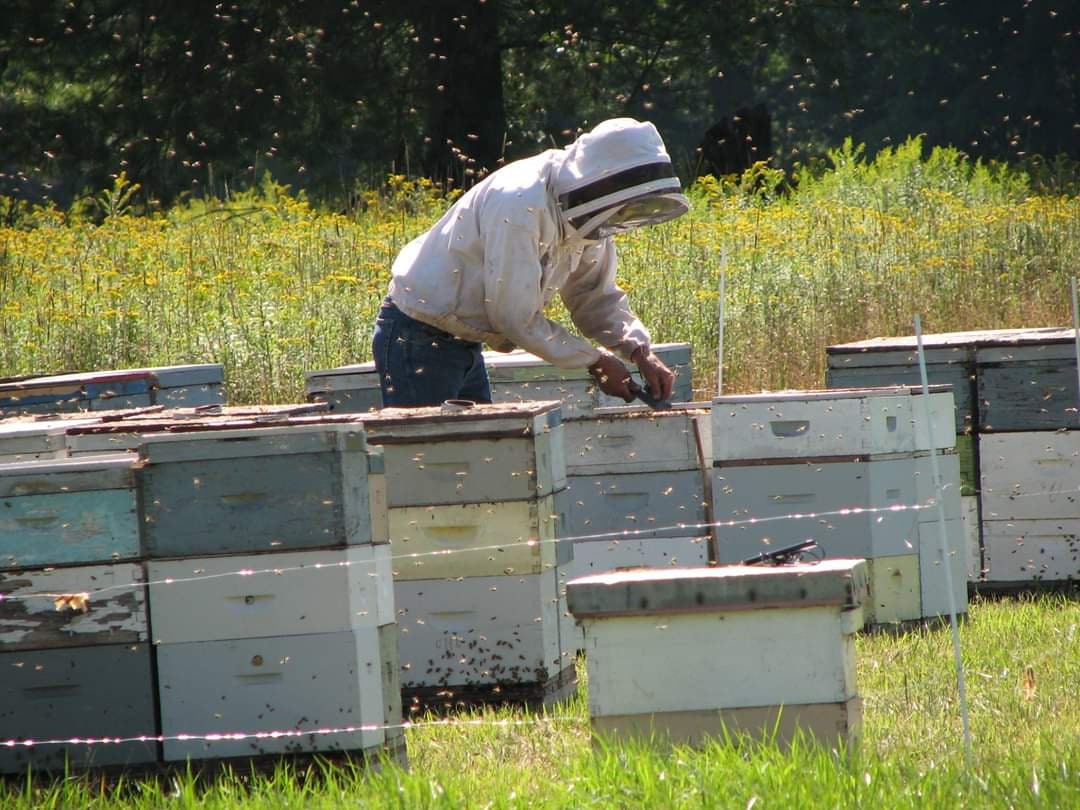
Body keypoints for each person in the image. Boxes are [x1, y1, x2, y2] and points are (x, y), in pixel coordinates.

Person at [372, 117, 689, 408]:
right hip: (418, 336)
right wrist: (595, 361)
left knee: (476, 456)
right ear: (604, 180)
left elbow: (594, 296)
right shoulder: (520, 202)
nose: (621, 216)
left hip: (464, 340)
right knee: (430, 462)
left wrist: (639, 351)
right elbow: (513, 317)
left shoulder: (591, 216)